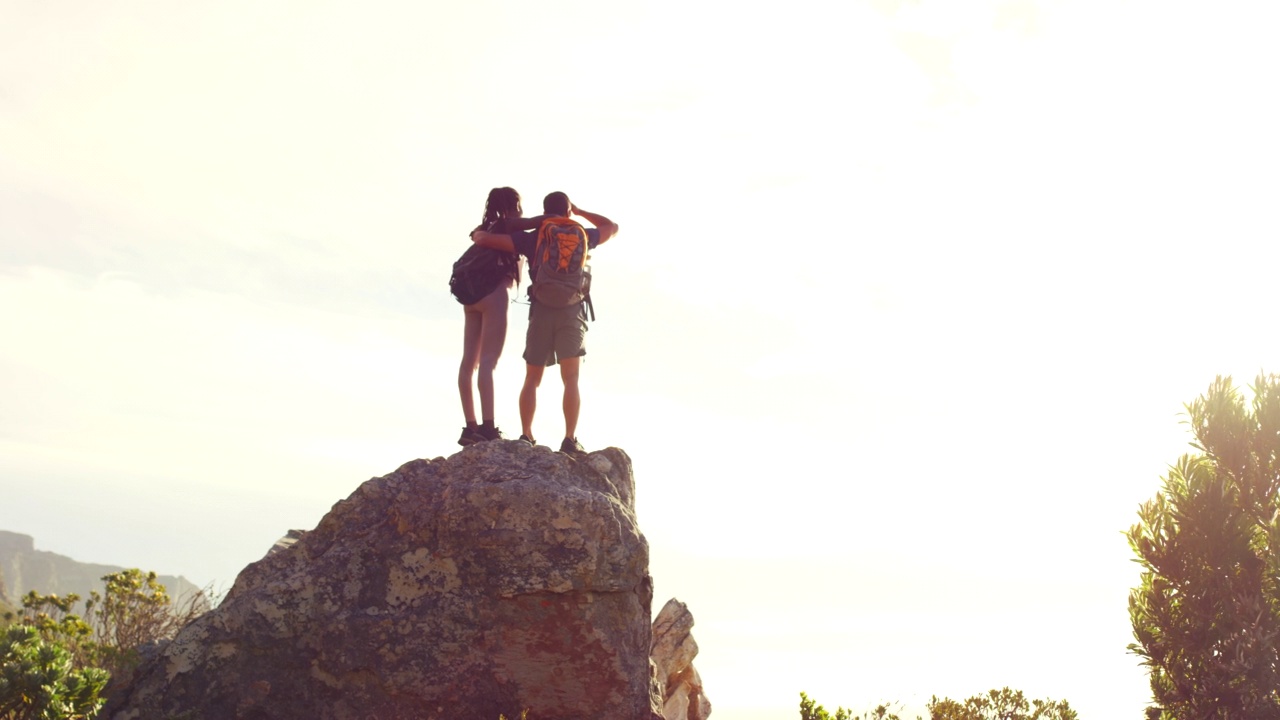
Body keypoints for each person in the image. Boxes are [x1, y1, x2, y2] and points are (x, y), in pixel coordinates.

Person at [470, 191, 618, 455]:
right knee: (570, 377)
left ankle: (526, 435)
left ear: (546, 210)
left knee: (532, 378)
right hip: (572, 313)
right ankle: (570, 439)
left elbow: (484, 239)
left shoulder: (534, 237)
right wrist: (580, 212)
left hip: (541, 311)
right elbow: (612, 227)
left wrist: (487, 231)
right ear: (567, 210)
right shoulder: (583, 234)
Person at [456, 187, 527, 446]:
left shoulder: (482, 230)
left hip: (471, 298)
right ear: (514, 204)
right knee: (488, 362)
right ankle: (488, 427)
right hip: (496, 295)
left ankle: (470, 427)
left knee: (469, 363)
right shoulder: (512, 228)